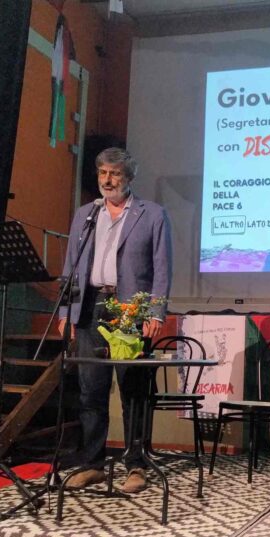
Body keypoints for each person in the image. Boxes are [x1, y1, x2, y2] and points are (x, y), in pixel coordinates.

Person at [58, 147, 172, 493]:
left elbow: (162, 269)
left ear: (129, 178)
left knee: (132, 391)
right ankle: (93, 464)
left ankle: (136, 465)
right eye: (103, 173)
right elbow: (71, 266)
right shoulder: (86, 214)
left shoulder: (152, 214)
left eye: (115, 174)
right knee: (91, 390)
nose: (107, 180)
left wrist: (155, 312)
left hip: (129, 310)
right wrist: (66, 312)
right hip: (90, 307)